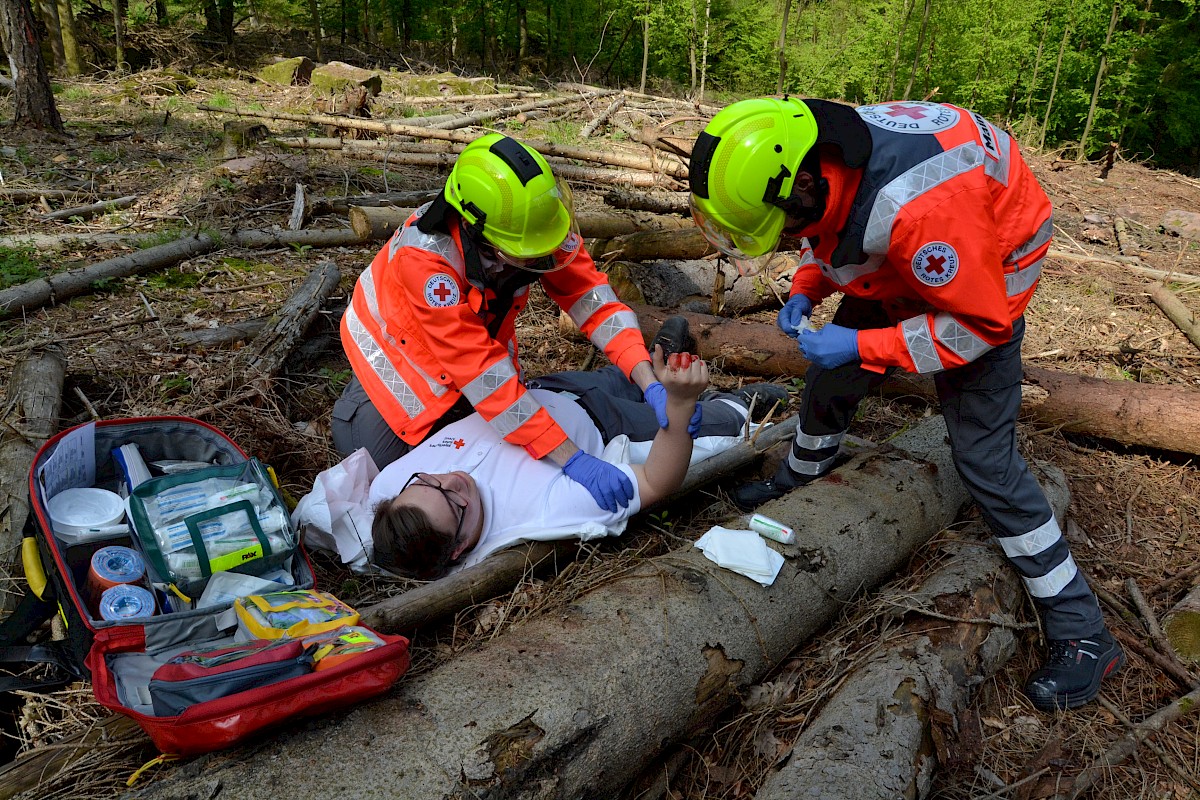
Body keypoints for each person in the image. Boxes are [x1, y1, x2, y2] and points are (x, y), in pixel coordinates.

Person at [687, 96, 1122, 712]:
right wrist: (808, 288)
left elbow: (979, 328)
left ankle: (1083, 631)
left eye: (780, 226)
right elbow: (826, 232)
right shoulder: (823, 151)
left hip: (985, 281)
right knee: (831, 378)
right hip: (917, 252)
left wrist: (865, 341)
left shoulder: (918, 209)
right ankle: (800, 477)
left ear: (804, 183)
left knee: (985, 463)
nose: (783, 239)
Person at [337, 133, 697, 515]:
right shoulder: (426, 265)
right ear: (479, 234)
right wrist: (571, 458)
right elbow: (480, 371)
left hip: (473, 364)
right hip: (395, 377)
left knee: (537, 412)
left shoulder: (532, 224)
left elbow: (595, 302)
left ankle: (627, 385)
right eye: (531, 253)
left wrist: (648, 380)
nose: (546, 255)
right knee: (397, 483)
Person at [368, 347, 786, 580]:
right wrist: (679, 406)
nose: (454, 480)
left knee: (626, 370)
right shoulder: (544, 511)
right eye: (456, 502)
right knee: (717, 424)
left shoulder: (390, 486)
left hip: (549, 389)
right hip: (607, 423)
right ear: (459, 547)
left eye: (428, 481)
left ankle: (653, 363)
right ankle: (737, 403)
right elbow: (658, 481)